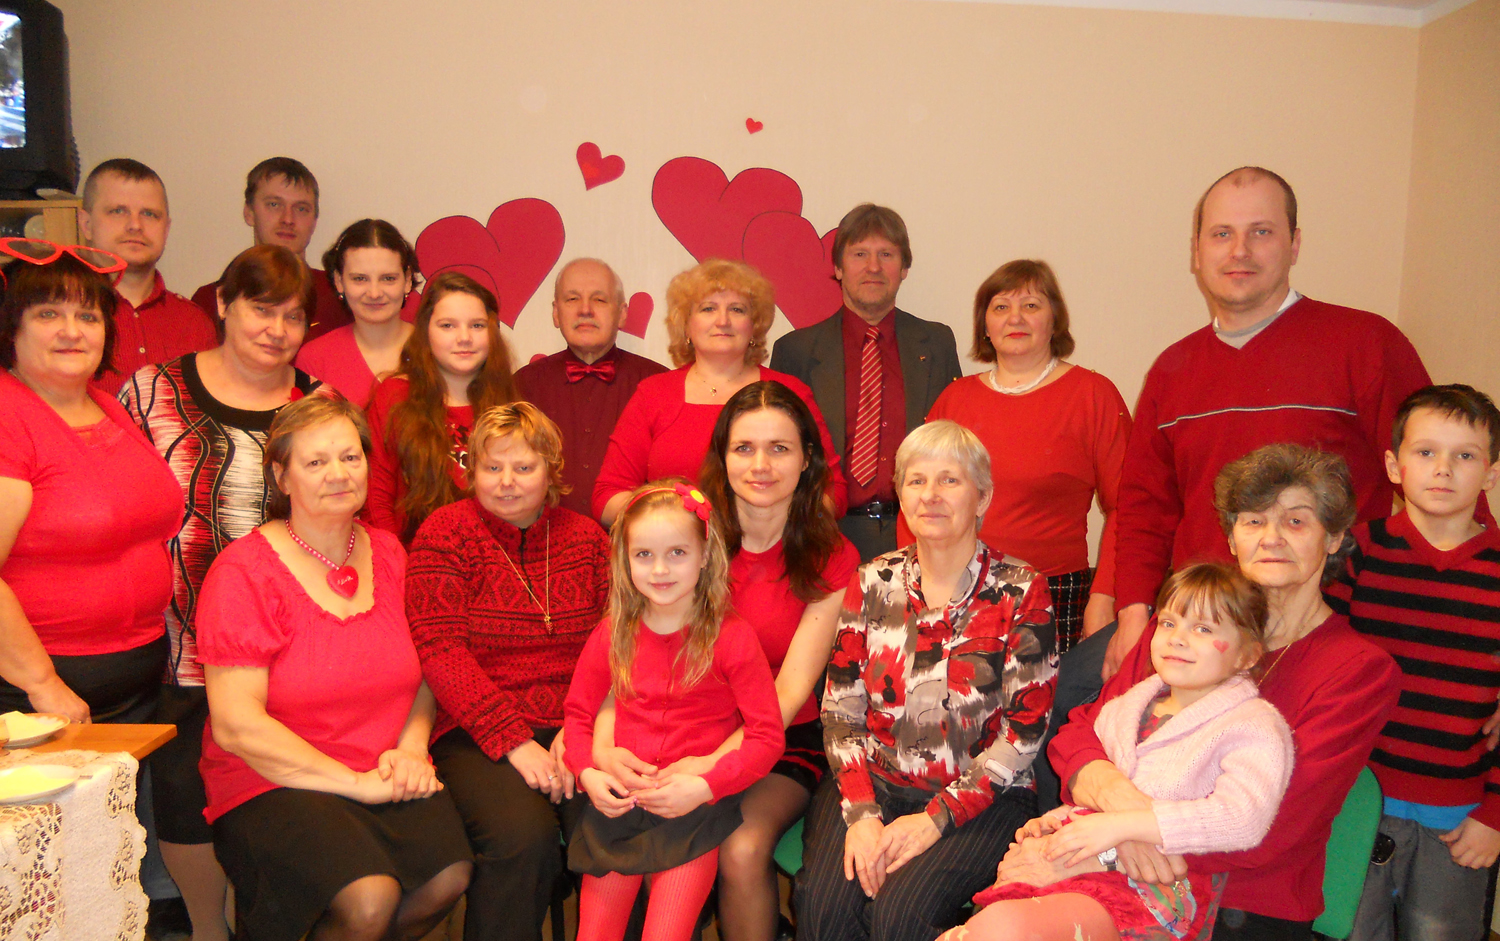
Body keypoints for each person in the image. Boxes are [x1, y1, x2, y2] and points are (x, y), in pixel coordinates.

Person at [1044, 443, 1403, 941]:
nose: (1271, 537)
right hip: (1113, 869)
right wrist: (1121, 821)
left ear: (1335, 537)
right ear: (1232, 537)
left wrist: (1121, 830)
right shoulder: (1176, 632)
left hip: (1244, 904)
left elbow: (1274, 828)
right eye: (1253, 521)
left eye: (1296, 521)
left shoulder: (1360, 671)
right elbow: (1079, 737)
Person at [1104, 166, 1431, 679]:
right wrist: (1132, 616)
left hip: (1327, 636)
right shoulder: (1172, 370)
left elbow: (1447, 488)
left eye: (1261, 231)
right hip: (1202, 635)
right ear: (1197, 252)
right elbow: (1145, 507)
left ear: (1294, 244)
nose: (1240, 251)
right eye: (1221, 234)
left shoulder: (1366, 345)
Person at [198, 395, 471, 941]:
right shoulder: (243, 572)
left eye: (350, 457)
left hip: (384, 766)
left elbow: (425, 671)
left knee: (447, 877)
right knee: (369, 900)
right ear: (282, 476)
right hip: (275, 779)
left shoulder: (391, 554)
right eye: (316, 462)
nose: (339, 474)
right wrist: (355, 785)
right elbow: (235, 725)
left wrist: (412, 747)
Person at [120, 243, 320, 941]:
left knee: (266, 801)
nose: (277, 330)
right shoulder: (150, 391)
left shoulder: (318, 405)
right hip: (178, 645)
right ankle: (207, 928)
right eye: (262, 309)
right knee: (183, 799)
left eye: (293, 317)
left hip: (284, 654)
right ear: (225, 305)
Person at [794, 420, 1058, 941]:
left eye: (949, 480)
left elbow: (1024, 733)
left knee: (898, 916)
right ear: (901, 495)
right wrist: (863, 814)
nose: (930, 495)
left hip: (983, 799)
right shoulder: (872, 580)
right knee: (823, 910)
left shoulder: (1022, 590)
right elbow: (841, 711)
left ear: (983, 498)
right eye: (916, 480)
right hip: (874, 780)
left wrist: (935, 819)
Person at [942, 563, 1293, 941]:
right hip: (1077, 870)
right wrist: (1056, 822)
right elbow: (1089, 798)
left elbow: (1242, 819)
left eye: (1203, 629)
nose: (1177, 638)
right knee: (984, 927)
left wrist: (1118, 827)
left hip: (1154, 891)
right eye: (1169, 623)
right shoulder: (1126, 708)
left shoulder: (1253, 724)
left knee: (1003, 929)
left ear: (1247, 655)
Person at [648, 380, 861, 941]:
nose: (760, 465)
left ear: (807, 459)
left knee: (741, 847)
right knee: (654, 835)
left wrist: (711, 768)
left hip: (785, 735)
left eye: (779, 448)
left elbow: (788, 693)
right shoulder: (687, 541)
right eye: (744, 448)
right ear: (722, 457)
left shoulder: (833, 556)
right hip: (687, 724)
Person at [405, 402, 611, 941]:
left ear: (551, 471)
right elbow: (440, 650)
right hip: (475, 732)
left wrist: (581, 727)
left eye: (523, 467)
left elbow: (618, 644)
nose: (507, 482)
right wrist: (514, 741)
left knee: (615, 824)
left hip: (578, 724)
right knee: (523, 839)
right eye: (492, 467)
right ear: (471, 471)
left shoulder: (589, 539)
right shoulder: (445, 533)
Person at [563, 481, 785, 941]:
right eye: (644, 555)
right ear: (624, 559)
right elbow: (579, 715)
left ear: (705, 555)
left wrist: (706, 786)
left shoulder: (732, 636)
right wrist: (587, 773)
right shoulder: (611, 633)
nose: (660, 569)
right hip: (619, 807)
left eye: (677, 553)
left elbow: (766, 736)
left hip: (693, 813)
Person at [1326, 385, 1500, 941]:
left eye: (1465, 455)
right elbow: (1318, 663)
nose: (1443, 469)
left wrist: (1495, 815)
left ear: (1491, 474)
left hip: (1459, 817)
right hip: (1353, 800)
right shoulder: (1356, 554)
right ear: (1393, 466)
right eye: (1426, 452)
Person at [0, 244, 180, 722]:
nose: (72, 331)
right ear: (11, 328)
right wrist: (41, 684)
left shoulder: (107, 405)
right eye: (48, 314)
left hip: (137, 684)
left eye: (88, 316)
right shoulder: (6, 415)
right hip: (35, 698)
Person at [915, 259, 1130, 651]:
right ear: (985, 325)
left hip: (1054, 594)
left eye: (1031, 305)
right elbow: (916, 500)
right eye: (1001, 307)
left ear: (1054, 320)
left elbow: (1128, 507)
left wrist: (1105, 596)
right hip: (955, 591)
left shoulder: (1093, 395)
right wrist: (920, 588)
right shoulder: (955, 399)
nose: (1015, 317)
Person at [770, 204, 962, 561]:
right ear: (838, 268)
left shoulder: (936, 344)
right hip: (824, 537)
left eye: (886, 254)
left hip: (919, 534)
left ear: (904, 269)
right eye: (859, 254)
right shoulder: (795, 352)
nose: (873, 267)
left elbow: (954, 446)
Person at [592, 259, 846, 528]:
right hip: (679, 549)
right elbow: (607, 497)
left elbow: (833, 493)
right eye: (708, 308)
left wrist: (767, 522)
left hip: (775, 549)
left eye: (737, 309)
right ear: (686, 325)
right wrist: (680, 522)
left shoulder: (791, 392)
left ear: (754, 325)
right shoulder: (654, 395)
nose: (723, 321)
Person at [365, 270, 519, 543]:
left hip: (494, 559)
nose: (464, 338)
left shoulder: (508, 402)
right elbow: (376, 497)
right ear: (426, 331)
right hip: (411, 558)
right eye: (448, 326)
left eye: (477, 326)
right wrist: (395, 559)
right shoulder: (396, 396)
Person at [514, 258, 668, 519]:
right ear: (555, 313)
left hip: (633, 540)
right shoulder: (522, 386)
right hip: (544, 540)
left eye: (599, 299)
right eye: (572, 299)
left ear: (622, 313)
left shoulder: (658, 385)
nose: (585, 310)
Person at [76, 158, 217, 394]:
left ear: (166, 228)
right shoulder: (56, 317)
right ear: (86, 224)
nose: (135, 225)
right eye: (118, 211)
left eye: (150, 214)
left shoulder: (194, 324)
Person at [191, 157, 347, 340]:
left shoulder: (340, 297)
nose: (288, 219)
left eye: (301, 209)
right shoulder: (211, 300)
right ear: (249, 212)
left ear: (314, 221)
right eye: (274, 204)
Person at [295, 218, 419, 407]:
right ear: (339, 281)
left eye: (388, 278)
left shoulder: (436, 349)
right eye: (360, 279)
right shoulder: (315, 359)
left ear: (408, 280)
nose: (374, 293)